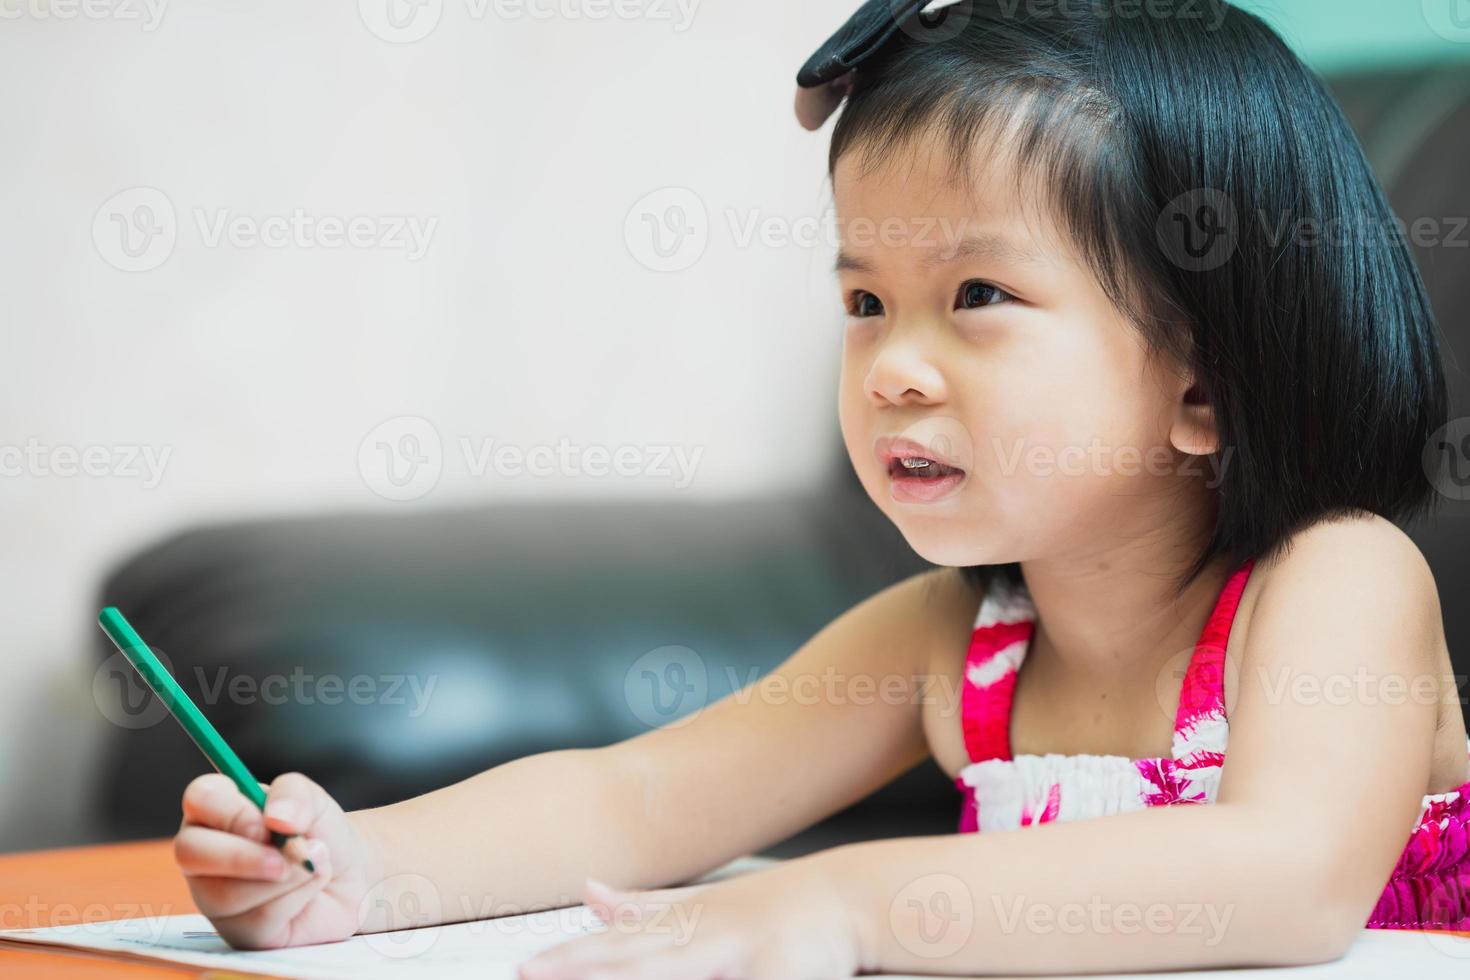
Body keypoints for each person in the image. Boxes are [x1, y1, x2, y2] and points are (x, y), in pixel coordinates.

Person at [171, 2, 1470, 975]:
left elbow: (1287, 876)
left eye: (978, 296)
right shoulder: (951, 639)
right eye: (862, 301)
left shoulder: (1333, 579)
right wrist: (362, 869)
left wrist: (840, 901)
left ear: (1201, 385)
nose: (891, 368)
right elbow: (641, 800)